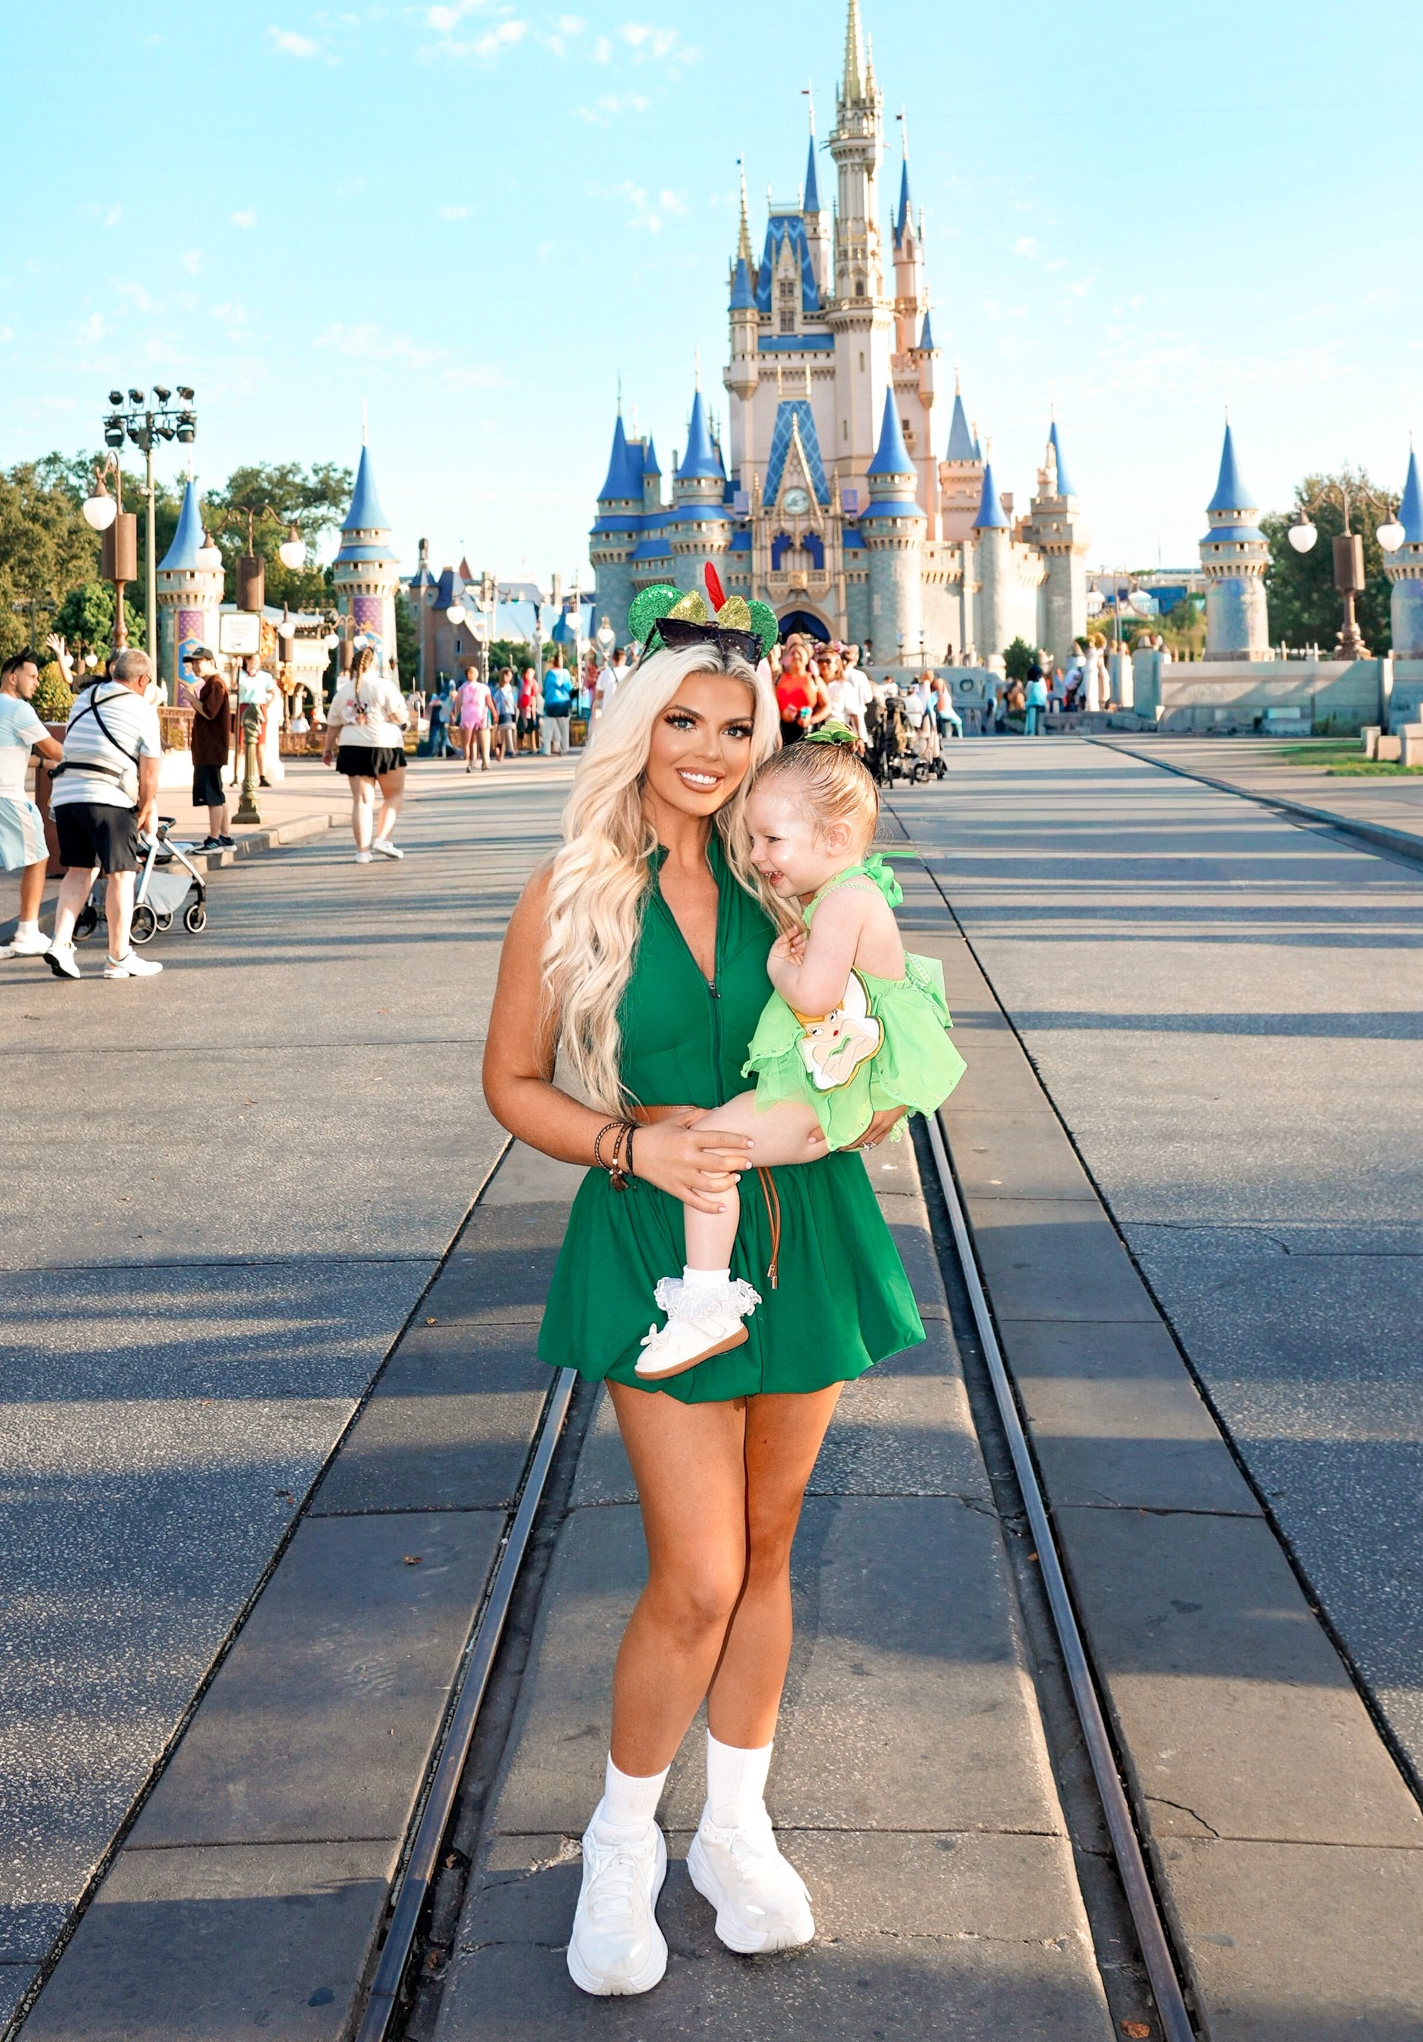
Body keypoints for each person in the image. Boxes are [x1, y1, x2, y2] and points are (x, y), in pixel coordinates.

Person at [482, 611, 922, 1999]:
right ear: (640, 727)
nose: (713, 752)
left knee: (773, 1548)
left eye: (739, 729)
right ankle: (623, 1840)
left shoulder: (790, 879)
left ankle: (733, 1828)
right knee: (698, 1574)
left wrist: (869, 1096)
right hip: (651, 1236)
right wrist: (632, 1144)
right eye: (687, 722)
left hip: (805, 1232)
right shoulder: (568, 889)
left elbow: (886, 1036)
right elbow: (512, 1083)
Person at [635, 728, 965, 1377]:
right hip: (830, 1087)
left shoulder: (843, 901)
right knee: (713, 1143)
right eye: (753, 839)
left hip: (822, 1095)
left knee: (705, 1149)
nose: (758, 855)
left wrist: (778, 967)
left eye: (771, 840)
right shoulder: (850, 889)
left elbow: (814, 999)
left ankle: (705, 1303)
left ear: (835, 839)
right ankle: (705, 1299)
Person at [44, 646, 164, 981]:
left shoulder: (84, 698)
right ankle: (118, 956)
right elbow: (150, 772)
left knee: (80, 871)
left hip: (66, 796)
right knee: (122, 875)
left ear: (114, 673)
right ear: (142, 680)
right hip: (108, 796)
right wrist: (143, 807)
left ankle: (60, 943)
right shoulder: (141, 709)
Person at [0, 647, 64, 964]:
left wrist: (40, 762)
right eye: (31, 676)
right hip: (6, 798)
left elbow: (3, 752)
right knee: (39, 857)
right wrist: (90, 755)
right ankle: (27, 933)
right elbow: (57, 750)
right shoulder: (19, 710)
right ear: (12, 676)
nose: (35, 682)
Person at [322, 643, 410, 861]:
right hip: (385, 744)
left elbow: (333, 724)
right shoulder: (384, 686)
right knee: (394, 795)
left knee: (361, 801)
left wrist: (327, 750)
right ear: (375, 665)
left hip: (352, 747)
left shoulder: (343, 691)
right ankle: (383, 838)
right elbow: (400, 717)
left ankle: (362, 851)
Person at [188, 651, 233, 850]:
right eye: (193, 663)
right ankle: (225, 836)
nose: (195, 666)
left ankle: (214, 838)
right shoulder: (212, 684)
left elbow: (208, 712)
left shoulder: (215, 684)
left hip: (210, 751)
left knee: (212, 796)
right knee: (218, 794)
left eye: (200, 662)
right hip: (210, 750)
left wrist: (191, 698)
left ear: (211, 662)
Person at [773, 637, 827, 744]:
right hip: (781, 734)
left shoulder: (814, 679)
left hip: (807, 734)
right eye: (792, 653)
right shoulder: (777, 679)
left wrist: (811, 720)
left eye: (800, 653)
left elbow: (827, 706)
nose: (796, 656)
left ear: (807, 659)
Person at [236, 655, 279, 786]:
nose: (255, 664)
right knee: (241, 745)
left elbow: (273, 691)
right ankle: (237, 775)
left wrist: (268, 703)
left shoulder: (265, 677)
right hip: (244, 707)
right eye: (253, 661)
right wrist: (236, 667)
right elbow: (234, 684)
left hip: (259, 707)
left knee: (260, 745)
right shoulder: (242, 675)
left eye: (257, 661)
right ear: (247, 661)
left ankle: (262, 776)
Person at [454, 663, 495, 773]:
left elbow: (458, 703)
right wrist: (495, 712)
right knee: (484, 738)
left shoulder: (462, 688)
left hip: (467, 717)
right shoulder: (484, 687)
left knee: (470, 741)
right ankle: (485, 761)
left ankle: (470, 762)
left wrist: (455, 715)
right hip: (481, 715)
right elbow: (489, 702)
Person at [542, 654, 574, 755]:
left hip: (550, 701)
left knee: (548, 726)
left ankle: (546, 749)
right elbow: (569, 687)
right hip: (563, 702)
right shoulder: (565, 673)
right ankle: (564, 748)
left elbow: (545, 688)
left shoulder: (549, 674)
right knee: (563, 727)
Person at [491, 669, 517, 761]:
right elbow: (495, 701)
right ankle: (506, 749)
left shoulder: (511, 688)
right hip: (502, 711)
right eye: (507, 676)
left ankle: (510, 749)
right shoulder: (500, 690)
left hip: (510, 711)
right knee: (504, 731)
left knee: (508, 729)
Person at [517, 665, 543, 753]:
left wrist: (530, 701)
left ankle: (533, 746)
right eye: (527, 673)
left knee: (531, 727)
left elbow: (535, 691)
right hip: (524, 708)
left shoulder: (532, 683)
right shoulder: (523, 683)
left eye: (530, 673)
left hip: (530, 708)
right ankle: (521, 746)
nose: (528, 674)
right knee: (522, 728)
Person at [1023, 661, 1048, 736]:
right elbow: (1045, 692)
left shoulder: (1030, 684)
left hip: (1032, 704)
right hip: (1042, 703)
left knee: (1030, 714)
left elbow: (1027, 693)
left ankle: (1030, 731)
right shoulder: (1042, 681)